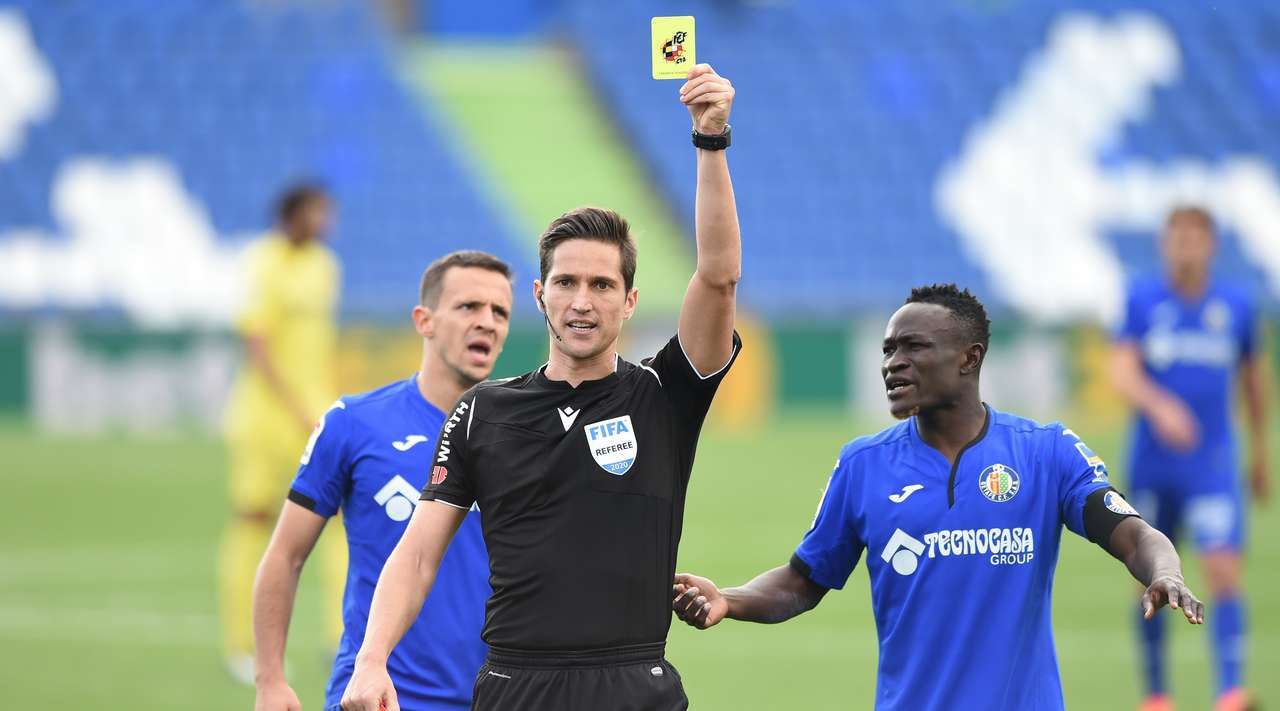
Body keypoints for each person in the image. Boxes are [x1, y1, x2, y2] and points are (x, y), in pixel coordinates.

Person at [340, 63, 740, 711]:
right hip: (515, 685)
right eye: (566, 283)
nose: (582, 301)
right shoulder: (482, 411)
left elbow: (718, 277)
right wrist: (371, 659)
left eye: (602, 285)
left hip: (633, 684)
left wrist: (711, 141)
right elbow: (417, 556)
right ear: (539, 293)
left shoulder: (663, 395)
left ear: (630, 300)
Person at [672, 284, 1205, 711]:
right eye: (888, 350)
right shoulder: (863, 465)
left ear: (969, 357)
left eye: (914, 347)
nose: (893, 363)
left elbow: (1132, 533)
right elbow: (802, 582)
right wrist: (730, 599)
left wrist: (1166, 572)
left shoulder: (1045, 452)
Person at [252, 251, 514, 711]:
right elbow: (285, 555)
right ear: (424, 320)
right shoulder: (353, 423)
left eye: (500, 312)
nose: (486, 322)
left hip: (495, 698)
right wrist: (270, 680)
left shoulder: (524, 437)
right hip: (376, 696)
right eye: (468, 306)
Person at [1111, 206, 1268, 711]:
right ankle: (1157, 694)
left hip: (1212, 464)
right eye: (1177, 239)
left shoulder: (1236, 306)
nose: (1185, 249)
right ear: (1164, 245)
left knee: (1222, 567)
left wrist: (1260, 451)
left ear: (1211, 246)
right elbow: (1122, 371)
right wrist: (1161, 407)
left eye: (1194, 240)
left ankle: (1230, 691)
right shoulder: (1142, 300)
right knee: (1152, 574)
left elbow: (1254, 380)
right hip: (1154, 463)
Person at [221, 182, 342, 681]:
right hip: (266, 419)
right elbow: (258, 345)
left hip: (314, 416)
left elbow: (318, 348)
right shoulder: (263, 262)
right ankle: (242, 645)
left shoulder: (325, 266)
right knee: (255, 521)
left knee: (344, 518)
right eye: (318, 212)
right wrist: (297, 407)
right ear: (292, 214)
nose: (326, 222)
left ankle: (342, 637)